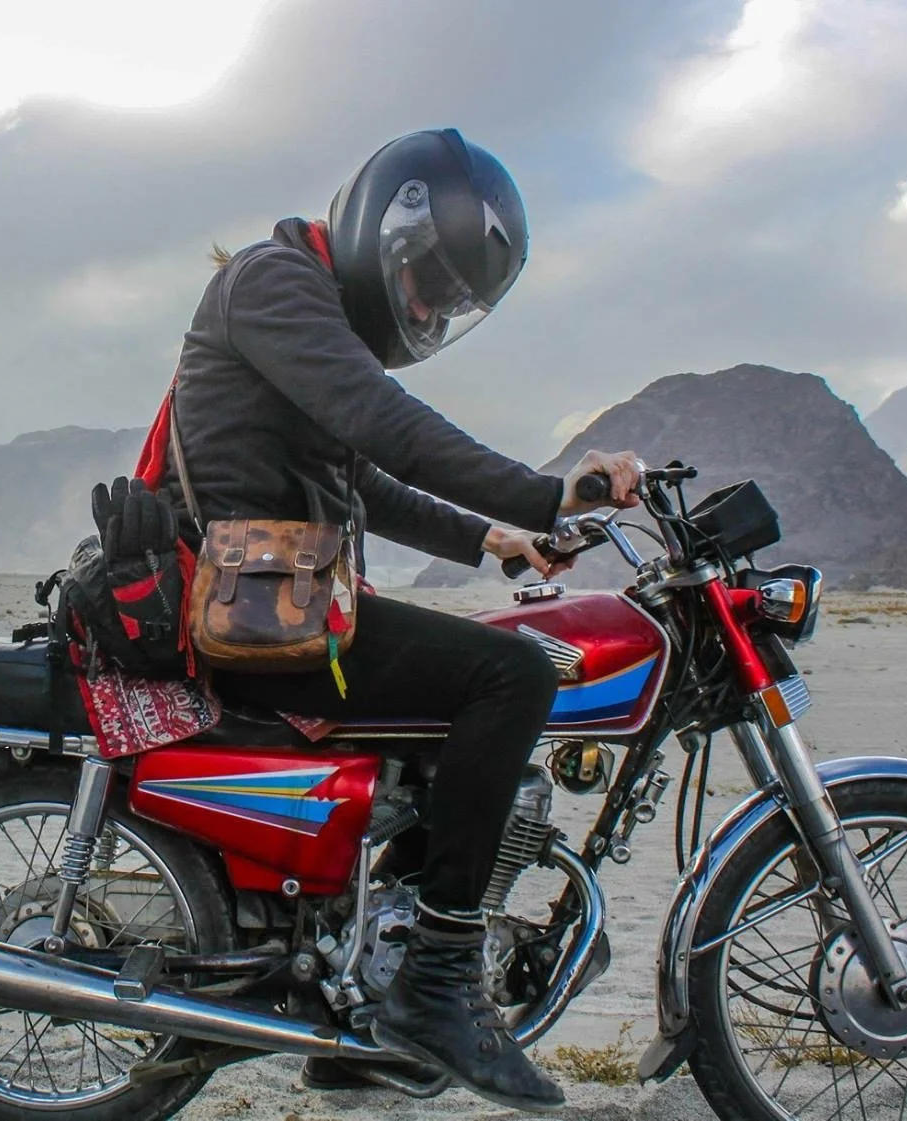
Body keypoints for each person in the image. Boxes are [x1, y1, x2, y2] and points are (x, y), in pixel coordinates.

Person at [158, 127, 641, 1110]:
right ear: (385, 226)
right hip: (253, 612)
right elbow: (382, 424)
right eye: (424, 282)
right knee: (512, 673)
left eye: (444, 303)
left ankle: (364, 1027)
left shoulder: (294, 297)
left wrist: (494, 539)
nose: (423, 310)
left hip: (286, 600)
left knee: (448, 715)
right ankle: (435, 985)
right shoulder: (270, 283)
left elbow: (359, 475)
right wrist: (546, 494)